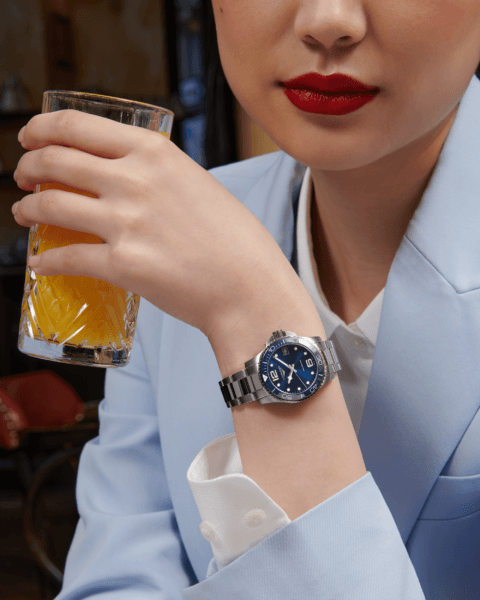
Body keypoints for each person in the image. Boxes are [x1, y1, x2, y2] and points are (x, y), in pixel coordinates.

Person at [11, 0, 480, 598]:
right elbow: (114, 578)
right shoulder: (165, 227)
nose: (328, 21)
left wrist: (255, 318)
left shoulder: (182, 235)